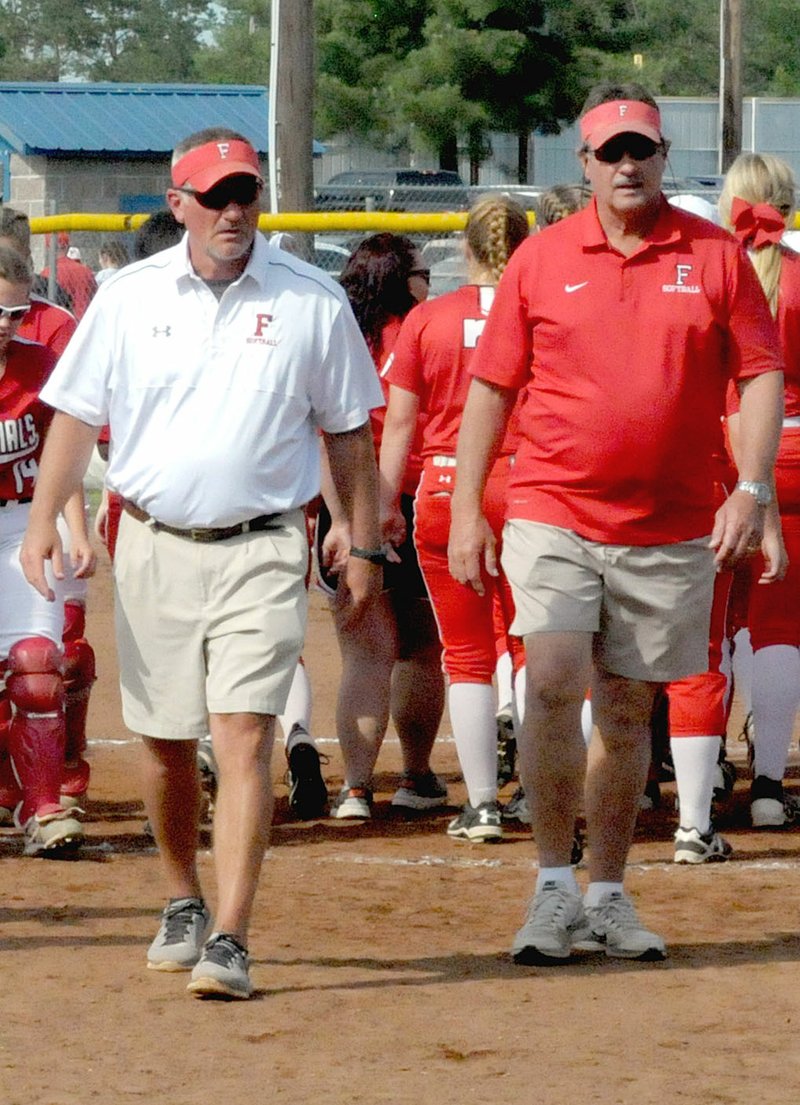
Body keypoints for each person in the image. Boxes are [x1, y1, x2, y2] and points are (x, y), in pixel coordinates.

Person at [20, 127, 383, 1000]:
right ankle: (182, 893)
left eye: (245, 194)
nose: (233, 212)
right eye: (214, 196)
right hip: (151, 541)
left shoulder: (310, 298)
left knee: (246, 735)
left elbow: (348, 433)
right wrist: (41, 520)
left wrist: (358, 535)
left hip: (262, 543)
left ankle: (231, 932)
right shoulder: (129, 295)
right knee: (164, 742)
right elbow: (72, 417)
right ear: (176, 201)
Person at [447, 81, 784, 963]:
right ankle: (551, 885)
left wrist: (752, 488)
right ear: (584, 163)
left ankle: (606, 891)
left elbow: (758, 374)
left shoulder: (713, 256)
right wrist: (466, 512)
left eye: (642, 149)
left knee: (630, 709)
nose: (627, 164)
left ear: (664, 158)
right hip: (554, 506)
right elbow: (491, 389)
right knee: (554, 678)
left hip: (671, 522)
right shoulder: (542, 256)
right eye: (610, 152)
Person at [380, 196, 529, 842]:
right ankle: (543, 791)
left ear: (464, 251)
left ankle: (484, 803)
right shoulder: (540, 314)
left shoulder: (428, 319)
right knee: (533, 650)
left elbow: (400, 424)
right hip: (529, 480)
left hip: (445, 484)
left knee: (466, 655)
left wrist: (385, 503)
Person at [319, 233, 446, 819]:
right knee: (419, 650)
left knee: (365, 653)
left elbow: (319, 433)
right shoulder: (423, 329)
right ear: (403, 277)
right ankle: (416, 776)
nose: (428, 281)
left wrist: (341, 517)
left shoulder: (339, 332)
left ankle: (355, 789)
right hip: (414, 496)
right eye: (421, 270)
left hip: (343, 500)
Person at [0, 243, 94, 853]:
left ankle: (41, 806)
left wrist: (75, 528)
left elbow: (61, 458)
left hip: (19, 525)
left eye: (13, 312)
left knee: (39, 667)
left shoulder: (40, 367)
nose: (6, 326)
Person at [719, 153, 800, 828]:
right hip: (793, 455)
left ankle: (688, 773)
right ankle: (769, 782)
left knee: (708, 624)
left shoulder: (715, 272)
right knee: (779, 625)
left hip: (717, 454)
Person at [41, 232, 98, 319]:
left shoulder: (47, 273)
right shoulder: (86, 271)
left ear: (49, 248)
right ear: (67, 246)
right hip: (86, 322)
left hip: (62, 321)